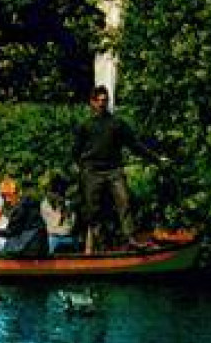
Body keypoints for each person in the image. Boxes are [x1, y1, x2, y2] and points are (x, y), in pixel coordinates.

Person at [72, 84, 162, 250]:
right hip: (92, 171)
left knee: (124, 202)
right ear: (92, 102)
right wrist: (80, 168)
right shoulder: (85, 126)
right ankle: (102, 243)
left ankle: (130, 238)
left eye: (105, 101)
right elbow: (75, 151)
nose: (102, 104)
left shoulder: (117, 124)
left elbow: (134, 145)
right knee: (93, 210)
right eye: (99, 101)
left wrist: (156, 158)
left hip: (113, 170)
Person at [0, 178, 48, 258]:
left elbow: (11, 231)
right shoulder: (31, 202)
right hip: (43, 245)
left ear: (16, 193)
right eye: (4, 196)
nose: (7, 200)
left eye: (9, 195)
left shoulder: (20, 208)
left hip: (29, 247)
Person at [41, 174, 81, 254]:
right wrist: (60, 210)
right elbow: (56, 224)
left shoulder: (69, 204)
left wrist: (67, 210)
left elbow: (71, 224)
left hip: (70, 237)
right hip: (54, 237)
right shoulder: (45, 205)